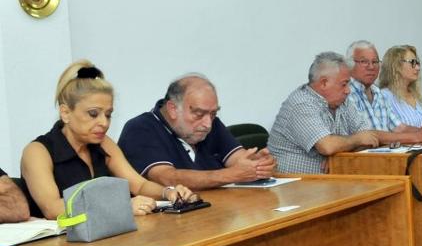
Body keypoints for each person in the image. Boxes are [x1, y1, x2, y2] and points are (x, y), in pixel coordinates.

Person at [20, 61, 195, 219]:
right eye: (93, 114)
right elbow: (52, 208)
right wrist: (121, 207)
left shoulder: (103, 143)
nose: (104, 123)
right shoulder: (37, 152)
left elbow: (139, 185)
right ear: (65, 113)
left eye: (108, 115)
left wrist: (168, 192)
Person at [117, 73, 277, 190]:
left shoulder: (210, 122)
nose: (208, 124)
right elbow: (166, 178)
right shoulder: (140, 129)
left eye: (213, 114)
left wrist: (257, 165)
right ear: (172, 109)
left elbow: (238, 160)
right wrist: (231, 174)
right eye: (198, 114)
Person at [268, 52, 385, 174]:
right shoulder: (301, 103)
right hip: (296, 182)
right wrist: (356, 140)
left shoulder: (342, 101)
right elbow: (327, 146)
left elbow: (368, 137)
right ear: (324, 83)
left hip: (332, 178)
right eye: (344, 84)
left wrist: (339, 155)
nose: (348, 90)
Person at [376, 45, 422, 140]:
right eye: (412, 62)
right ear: (396, 66)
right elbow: (393, 131)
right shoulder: (383, 97)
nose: (417, 68)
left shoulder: (421, 95)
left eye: (417, 63)